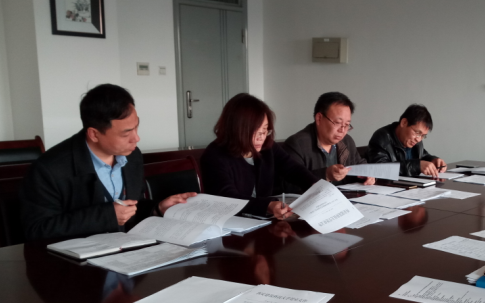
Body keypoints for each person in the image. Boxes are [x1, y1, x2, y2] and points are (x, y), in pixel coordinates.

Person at [21, 84, 195, 241]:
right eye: (126, 133)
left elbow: (131, 207)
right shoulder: (49, 169)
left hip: (125, 251)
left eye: (136, 127)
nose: (136, 138)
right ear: (94, 134)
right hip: (77, 260)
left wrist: (157, 208)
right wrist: (107, 216)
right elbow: (37, 229)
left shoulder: (132, 156)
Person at [201, 93, 319, 219]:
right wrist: (267, 206)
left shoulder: (267, 147)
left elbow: (292, 168)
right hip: (231, 223)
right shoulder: (214, 156)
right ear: (236, 129)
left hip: (261, 221)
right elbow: (228, 198)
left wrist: (315, 185)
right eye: (255, 131)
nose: (261, 137)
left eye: (265, 130)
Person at [283, 91, 374, 186]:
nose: (342, 130)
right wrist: (326, 175)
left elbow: (359, 164)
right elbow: (289, 184)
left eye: (347, 125)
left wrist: (367, 174)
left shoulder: (347, 141)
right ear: (319, 118)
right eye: (338, 123)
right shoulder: (297, 144)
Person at [367, 104, 446, 177]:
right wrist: (416, 166)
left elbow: (423, 156)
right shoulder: (381, 137)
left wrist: (433, 160)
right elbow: (380, 169)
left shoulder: (414, 141)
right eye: (417, 133)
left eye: (423, 136)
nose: (418, 139)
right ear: (404, 123)